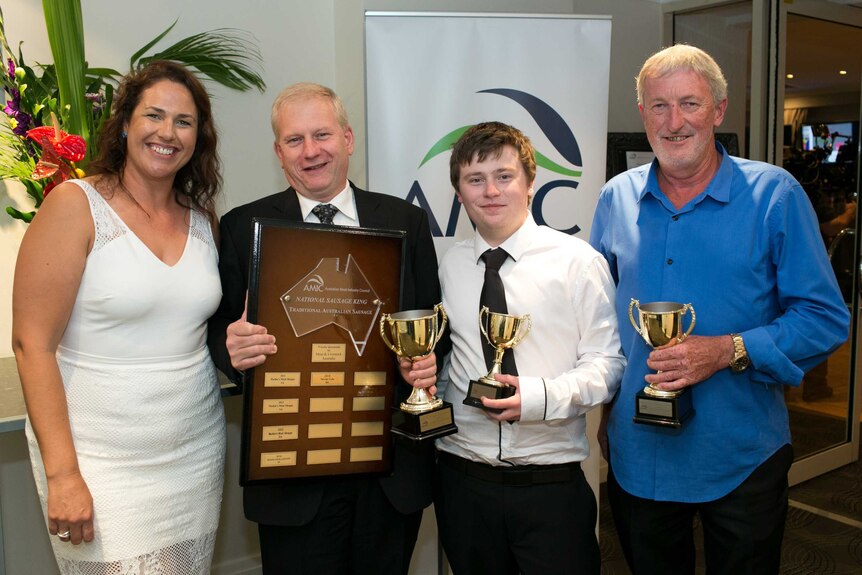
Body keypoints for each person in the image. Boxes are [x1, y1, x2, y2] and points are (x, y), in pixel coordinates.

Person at [589, 44, 850, 574]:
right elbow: (598, 321)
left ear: (719, 110)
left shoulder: (775, 196)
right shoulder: (615, 198)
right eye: (658, 106)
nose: (674, 121)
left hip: (742, 453)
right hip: (639, 453)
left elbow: (825, 317)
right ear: (642, 115)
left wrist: (729, 349)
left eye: (690, 103)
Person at [207, 82, 442, 574]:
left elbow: (434, 320)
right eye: (294, 140)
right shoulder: (240, 227)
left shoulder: (408, 221)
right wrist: (234, 350)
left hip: (389, 471)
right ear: (278, 152)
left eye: (322, 134)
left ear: (348, 139)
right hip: (292, 473)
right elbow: (217, 334)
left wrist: (425, 357)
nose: (310, 151)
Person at [12, 61, 226, 572]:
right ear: (125, 122)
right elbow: (31, 344)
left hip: (194, 452)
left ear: (198, 137)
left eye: (184, 121)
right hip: (98, 460)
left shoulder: (204, 222)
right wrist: (64, 476)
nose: (167, 132)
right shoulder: (75, 204)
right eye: (154, 115)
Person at [433, 121, 625, 574]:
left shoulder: (579, 263)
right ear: (459, 194)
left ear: (531, 182)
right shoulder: (451, 265)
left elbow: (608, 365)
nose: (491, 191)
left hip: (550, 487)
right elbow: (451, 362)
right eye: (474, 179)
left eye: (504, 176)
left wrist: (536, 398)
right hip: (463, 482)